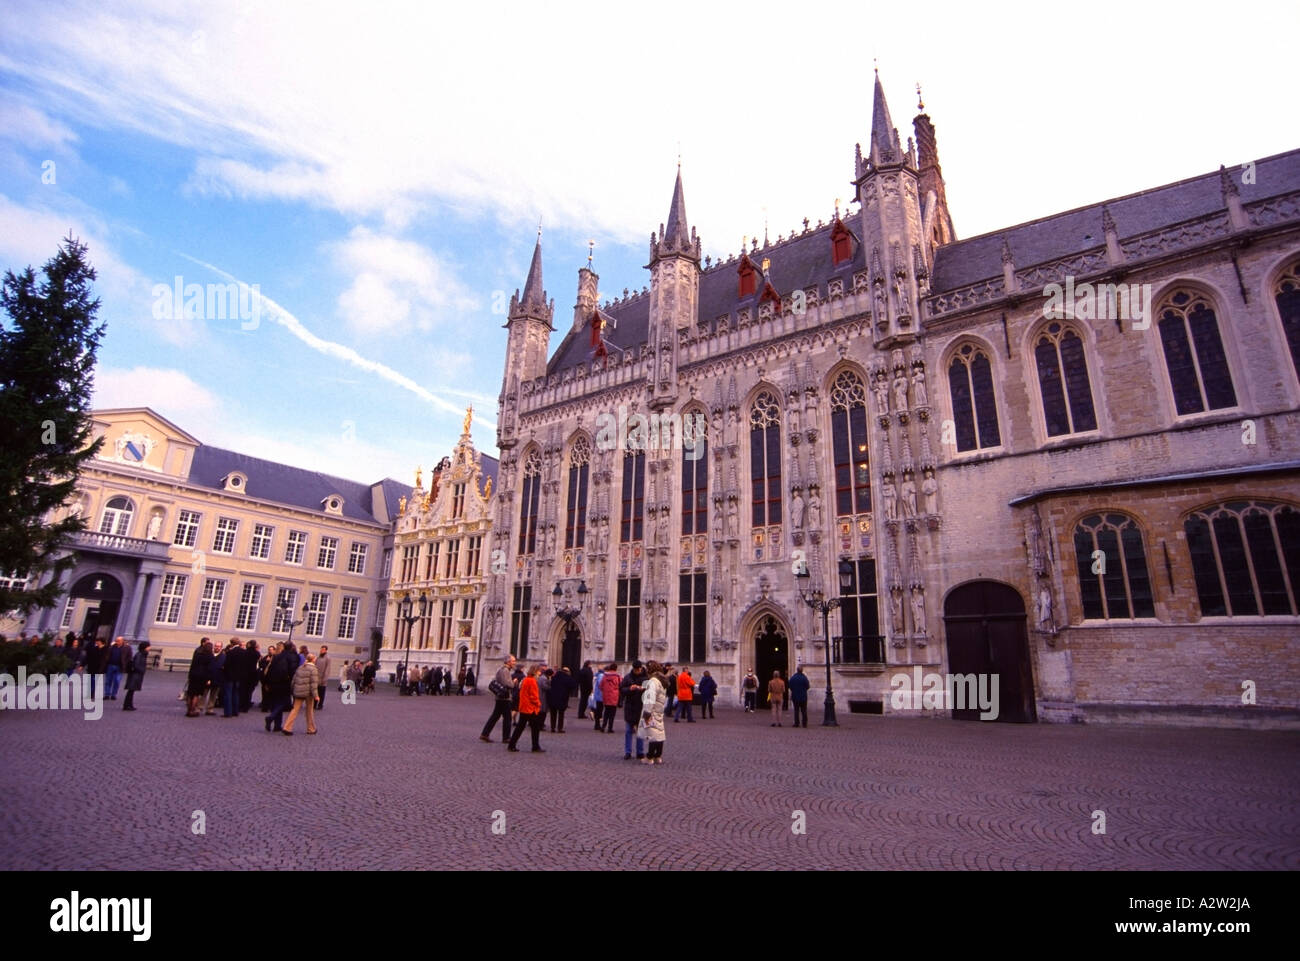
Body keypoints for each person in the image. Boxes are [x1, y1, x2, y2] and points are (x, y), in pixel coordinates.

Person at [507, 663, 544, 753]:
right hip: (530, 708)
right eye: (539, 671)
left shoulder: (526, 679)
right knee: (534, 728)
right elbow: (533, 696)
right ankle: (535, 746)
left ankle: (512, 744)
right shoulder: (532, 681)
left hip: (524, 707)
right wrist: (538, 704)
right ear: (535, 671)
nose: (540, 673)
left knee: (521, 726)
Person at [479, 655, 517, 743]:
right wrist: (514, 682)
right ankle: (506, 738)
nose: (514, 663)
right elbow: (508, 684)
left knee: (495, 716)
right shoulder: (505, 671)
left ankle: (485, 734)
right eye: (513, 661)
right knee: (507, 718)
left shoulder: (503, 670)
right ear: (508, 662)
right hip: (504, 698)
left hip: (501, 697)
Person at [265, 641, 298, 733]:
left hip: (274, 682)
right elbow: (293, 671)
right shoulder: (292, 657)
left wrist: (267, 682)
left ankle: (277, 725)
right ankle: (271, 717)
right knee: (284, 702)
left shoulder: (277, 656)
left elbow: (270, 669)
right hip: (285, 683)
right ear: (291, 647)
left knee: (276, 702)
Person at [283, 652, 319, 736]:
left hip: (298, 692)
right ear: (313, 660)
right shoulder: (313, 669)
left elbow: (294, 680)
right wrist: (316, 695)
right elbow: (314, 684)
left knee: (294, 710)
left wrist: (293, 690)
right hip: (308, 693)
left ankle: (287, 727)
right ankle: (311, 728)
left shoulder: (300, 667)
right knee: (309, 711)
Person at [639, 661, 668, 765]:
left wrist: (647, 711)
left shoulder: (653, 681)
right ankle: (658, 756)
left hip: (652, 710)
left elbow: (650, 697)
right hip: (659, 709)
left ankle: (649, 757)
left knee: (652, 734)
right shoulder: (662, 681)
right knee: (659, 732)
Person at [619, 661, 648, 760]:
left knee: (641, 731)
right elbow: (621, 689)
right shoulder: (627, 677)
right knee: (628, 730)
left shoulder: (645, 678)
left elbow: (649, 691)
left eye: (639, 669)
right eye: (636, 669)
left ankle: (640, 752)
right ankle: (628, 752)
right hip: (630, 707)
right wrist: (629, 689)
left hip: (641, 706)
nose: (638, 671)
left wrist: (642, 689)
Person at [185, 639, 213, 717]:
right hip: (202, 676)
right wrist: (208, 679)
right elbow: (209, 668)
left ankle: (188, 710)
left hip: (194, 674)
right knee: (196, 694)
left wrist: (190, 675)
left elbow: (193, 664)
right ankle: (193, 710)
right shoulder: (210, 656)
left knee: (191, 693)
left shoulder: (198, 653)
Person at [122, 640, 150, 711]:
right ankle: (127, 705)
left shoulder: (141, 654)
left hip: (136, 674)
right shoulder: (140, 654)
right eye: (148, 647)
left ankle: (129, 705)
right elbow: (136, 665)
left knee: (131, 691)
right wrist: (141, 670)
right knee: (131, 690)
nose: (149, 648)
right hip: (135, 675)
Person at [547, 665, 576, 733]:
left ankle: (553, 727)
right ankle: (560, 728)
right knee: (561, 714)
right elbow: (573, 685)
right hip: (562, 698)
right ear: (567, 672)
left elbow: (550, 685)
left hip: (553, 697)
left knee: (553, 714)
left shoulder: (554, 677)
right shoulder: (568, 678)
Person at [221, 638, 244, 718]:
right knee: (236, 694)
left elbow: (226, 665)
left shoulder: (230, 652)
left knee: (228, 694)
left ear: (231, 643)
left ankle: (228, 712)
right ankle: (235, 711)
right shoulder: (243, 652)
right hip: (238, 676)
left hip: (229, 676)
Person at [599, 663, 621, 733]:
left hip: (606, 696)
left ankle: (603, 726)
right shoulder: (617, 676)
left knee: (606, 712)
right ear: (616, 668)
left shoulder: (605, 676)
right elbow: (621, 685)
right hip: (614, 697)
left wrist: (605, 690)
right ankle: (610, 728)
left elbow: (600, 686)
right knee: (612, 713)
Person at [104, 636, 128, 700]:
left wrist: (125, 664)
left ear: (122, 641)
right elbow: (107, 655)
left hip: (119, 667)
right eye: (116, 640)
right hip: (110, 665)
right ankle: (107, 694)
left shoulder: (126, 648)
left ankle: (113, 694)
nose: (117, 642)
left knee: (117, 681)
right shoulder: (112, 647)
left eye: (119, 640)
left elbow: (129, 657)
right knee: (108, 680)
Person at [241, 640, 261, 712]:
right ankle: (246, 706)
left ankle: (242, 705)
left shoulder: (244, 652)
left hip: (245, 673)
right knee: (249, 692)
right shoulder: (257, 654)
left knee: (243, 691)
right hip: (253, 674)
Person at [591, 664, 606, 729]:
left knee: (598, 709)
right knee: (599, 710)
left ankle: (597, 724)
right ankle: (597, 725)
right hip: (600, 696)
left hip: (597, 695)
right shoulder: (601, 676)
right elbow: (601, 685)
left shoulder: (596, 675)